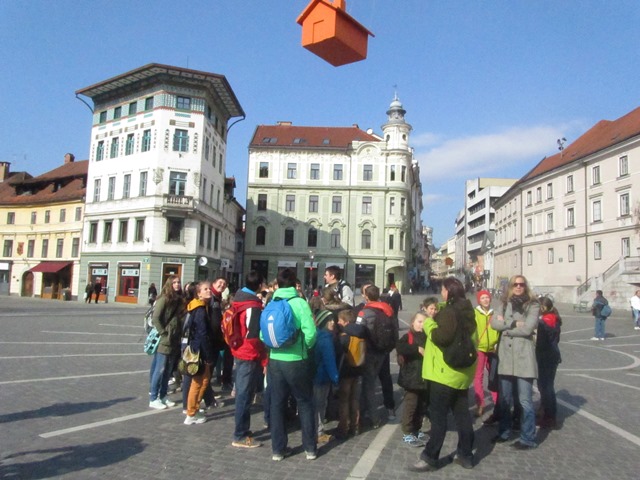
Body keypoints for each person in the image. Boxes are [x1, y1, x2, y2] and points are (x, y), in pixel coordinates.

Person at [409, 277, 477, 472]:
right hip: (461, 373)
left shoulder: (449, 313)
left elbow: (442, 337)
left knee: (439, 417)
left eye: (443, 289)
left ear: (448, 290)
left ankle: (430, 457)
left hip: (444, 372)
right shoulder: (466, 310)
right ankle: (465, 454)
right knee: (462, 415)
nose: (441, 292)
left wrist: (429, 323)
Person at [264, 268, 318, 462]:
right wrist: (306, 347)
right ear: (295, 283)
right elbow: (311, 333)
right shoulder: (299, 303)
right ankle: (310, 448)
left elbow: (264, 334)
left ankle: (278, 449)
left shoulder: (272, 302)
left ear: (277, 284)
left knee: (277, 404)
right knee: (304, 402)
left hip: (275, 360)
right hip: (297, 360)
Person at [491, 275, 540, 450]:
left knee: (525, 400)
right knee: (504, 399)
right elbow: (493, 324)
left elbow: (528, 328)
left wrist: (506, 328)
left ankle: (528, 437)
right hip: (506, 357)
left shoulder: (533, 304)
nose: (518, 287)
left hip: (523, 357)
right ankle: (504, 431)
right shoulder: (503, 303)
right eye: (515, 284)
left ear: (526, 286)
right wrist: (513, 323)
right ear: (510, 287)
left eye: (521, 284)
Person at [228, 271, 267, 448]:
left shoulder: (239, 298)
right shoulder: (252, 305)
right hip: (248, 353)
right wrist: (263, 357)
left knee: (244, 392)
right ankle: (240, 435)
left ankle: (243, 430)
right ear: (259, 285)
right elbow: (253, 336)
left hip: (238, 349)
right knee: (244, 394)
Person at [356, 284, 396, 429]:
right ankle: (388, 409)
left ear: (366, 296)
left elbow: (358, 330)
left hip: (369, 351)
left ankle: (373, 417)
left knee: (369, 385)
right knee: (383, 379)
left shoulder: (364, 312)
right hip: (383, 351)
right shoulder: (387, 309)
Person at [149, 275, 184, 410]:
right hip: (165, 339)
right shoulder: (164, 299)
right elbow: (156, 318)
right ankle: (153, 397)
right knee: (160, 369)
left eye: (179, 282)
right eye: (174, 282)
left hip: (174, 339)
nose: (177, 284)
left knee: (168, 370)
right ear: (169, 284)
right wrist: (163, 333)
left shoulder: (178, 300)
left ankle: (163, 396)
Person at [184, 281, 215, 425]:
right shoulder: (200, 310)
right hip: (199, 350)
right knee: (197, 382)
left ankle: (194, 408)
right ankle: (191, 413)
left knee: (204, 380)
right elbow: (202, 334)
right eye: (205, 289)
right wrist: (208, 356)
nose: (209, 291)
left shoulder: (198, 306)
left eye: (209, 288)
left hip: (196, 348)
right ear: (198, 293)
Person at [396, 311, 429, 448]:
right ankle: (407, 432)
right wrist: (416, 349)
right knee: (411, 405)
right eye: (419, 321)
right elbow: (399, 347)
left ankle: (417, 428)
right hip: (411, 378)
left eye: (424, 322)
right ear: (412, 323)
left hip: (425, 378)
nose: (421, 325)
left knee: (421, 406)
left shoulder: (429, 337)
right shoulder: (407, 336)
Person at [335, 308, 366, 439]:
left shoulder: (344, 337)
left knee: (344, 400)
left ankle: (344, 427)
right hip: (359, 370)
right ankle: (356, 426)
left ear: (345, 322)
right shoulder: (362, 333)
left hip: (346, 372)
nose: (338, 322)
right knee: (355, 399)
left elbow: (338, 354)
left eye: (340, 320)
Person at [312, 305, 339, 445]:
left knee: (314, 404)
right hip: (322, 378)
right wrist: (335, 378)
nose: (333, 323)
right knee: (320, 405)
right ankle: (318, 432)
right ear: (324, 322)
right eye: (329, 320)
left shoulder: (314, 334)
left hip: (312, 376)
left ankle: (313, 429)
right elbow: (330, 361)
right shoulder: (326, 339)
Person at [536, 296, 562, 429]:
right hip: (553, 356)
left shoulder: (545, 321)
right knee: (546, 385)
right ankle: (546, 412)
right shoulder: (554, 318)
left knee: (546, 387)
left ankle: (550, 416)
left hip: (546, 356)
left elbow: (541, 340)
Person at [473, 289, 500, 418]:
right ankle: (480, 404)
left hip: (493, 348)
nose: (485, 300)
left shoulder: (495, 314)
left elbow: (499, 329)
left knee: (494, 376)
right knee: (478, 376)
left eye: (487, 297)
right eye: (482, 298)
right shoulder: (475, 313)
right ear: (479, 300)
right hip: (480, 347)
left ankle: (497, 402)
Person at [210, 277, 233, 391]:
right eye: (220, 283)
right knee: (208, 366)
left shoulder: (218, 298)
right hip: (210, 337)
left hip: (217, 336)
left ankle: (208, 394)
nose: (222, 285)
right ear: (213, 283)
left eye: (224, 284)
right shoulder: (210, 297)